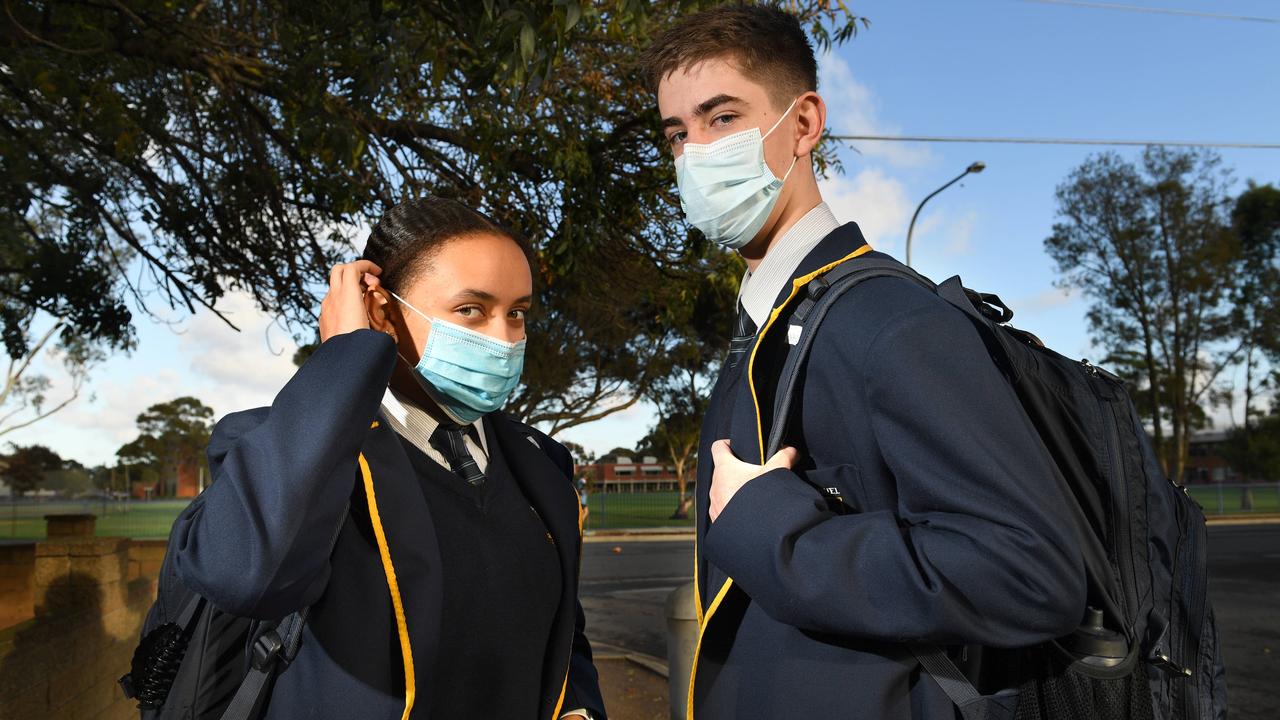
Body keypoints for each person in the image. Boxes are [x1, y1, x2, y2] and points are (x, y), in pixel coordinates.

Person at [639, 6, 1086, 719]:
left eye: (721, 118)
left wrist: (776, 530)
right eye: (676, 134)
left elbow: (1028, 572)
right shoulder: (766, 326)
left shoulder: (889, 323)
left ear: (805, 123)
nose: (695, 154)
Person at [169, 197, 606, 720]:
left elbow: (562, 631)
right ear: (381, 310)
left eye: (517, 313)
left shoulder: (541, 463)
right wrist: (347, 354)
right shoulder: (285, 445)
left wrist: (581, 710)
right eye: (471, 309)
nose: (505, 338)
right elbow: (246, 575)